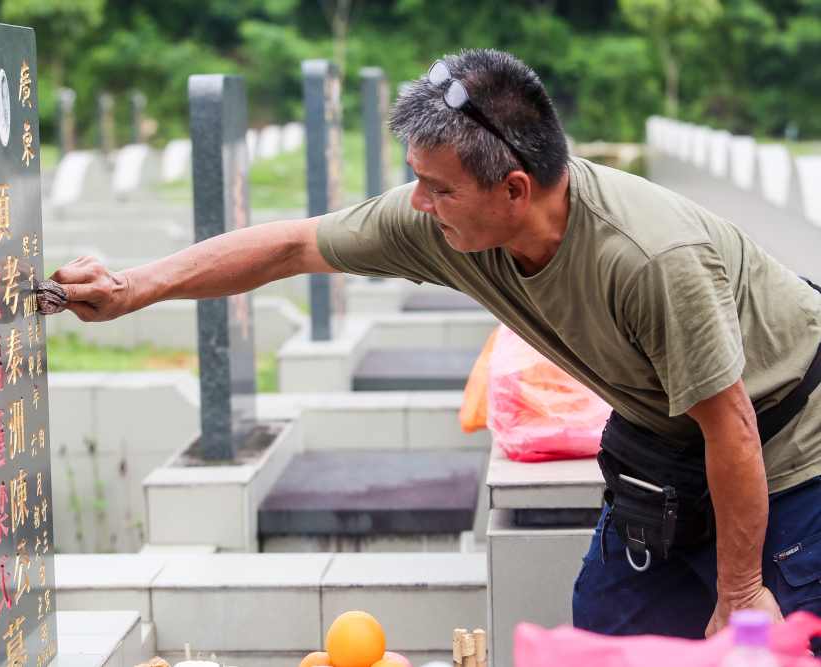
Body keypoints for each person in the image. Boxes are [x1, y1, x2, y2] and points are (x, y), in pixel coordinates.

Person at [48, 49, 821, 640]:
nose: (418, 203)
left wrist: (739, 591)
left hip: (788, 452)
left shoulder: (648, 259)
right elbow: (291, 246)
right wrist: (133, 288)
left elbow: (734, 428)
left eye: (438, 187)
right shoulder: (446, 226)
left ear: (514, 190)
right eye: (416, 180)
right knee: (599, 640)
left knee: (760, 642)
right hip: (665, 455)